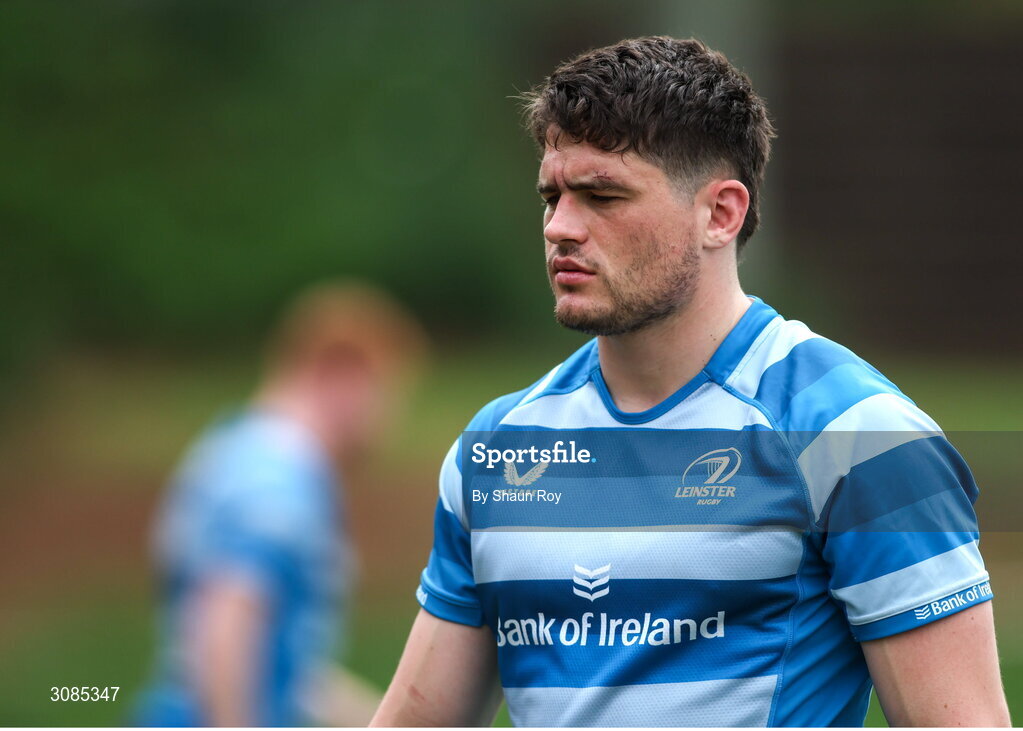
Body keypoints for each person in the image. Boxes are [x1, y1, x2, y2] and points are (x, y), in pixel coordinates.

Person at [371, 36, 1011, 727]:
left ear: (720, 214)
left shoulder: (854, 434)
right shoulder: (500, 446)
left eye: (600, 195)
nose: (559, 226)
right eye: (552, 195)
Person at [134, 281, 425, 727]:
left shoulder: (240, 447)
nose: (391, 417)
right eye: (389, 389)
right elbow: (228, 626)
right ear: (344, 373)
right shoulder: (277, 476)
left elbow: (279, 669)